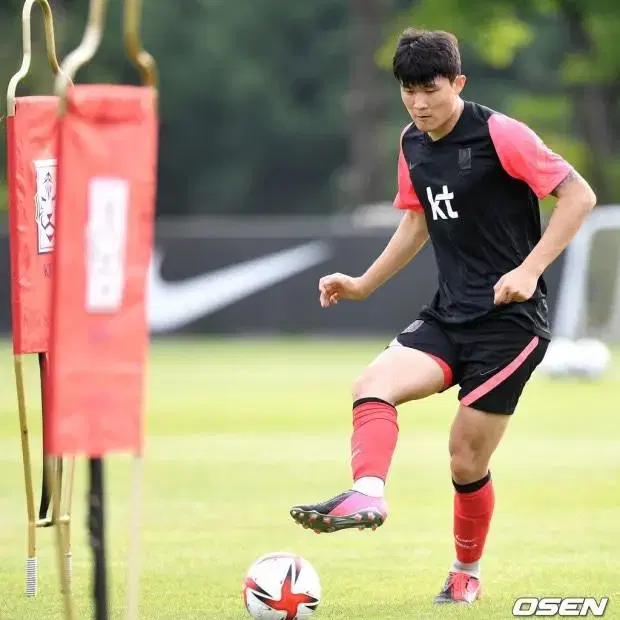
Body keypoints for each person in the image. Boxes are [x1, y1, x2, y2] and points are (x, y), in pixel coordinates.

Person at [289, 28, 597, 605]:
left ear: (458, 82)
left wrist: (528, 270)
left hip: (511, 325)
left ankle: (465, 572)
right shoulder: (412, 143)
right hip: (450, 315)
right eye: (408, 91)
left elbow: (579, 195)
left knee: (463, 457)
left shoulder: (501, 134)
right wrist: (362, 284)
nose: (419, 103)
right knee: (372, 384)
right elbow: (416, 222)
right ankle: (368, 494)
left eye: (430, 89)